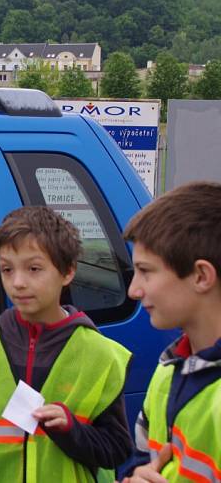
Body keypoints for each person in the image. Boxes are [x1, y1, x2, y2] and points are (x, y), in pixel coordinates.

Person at [0, 206, 132, 482]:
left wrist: (72, 430)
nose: (18, 282)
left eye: (34, 269)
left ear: (67, 272)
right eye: (7, 269)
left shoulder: (101, 355)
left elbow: (116, 449)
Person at [121, 181, 221, 483]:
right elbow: (139, 461)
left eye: (146, 271)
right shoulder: (169, 370)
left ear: (201, 276)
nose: (133, 290)